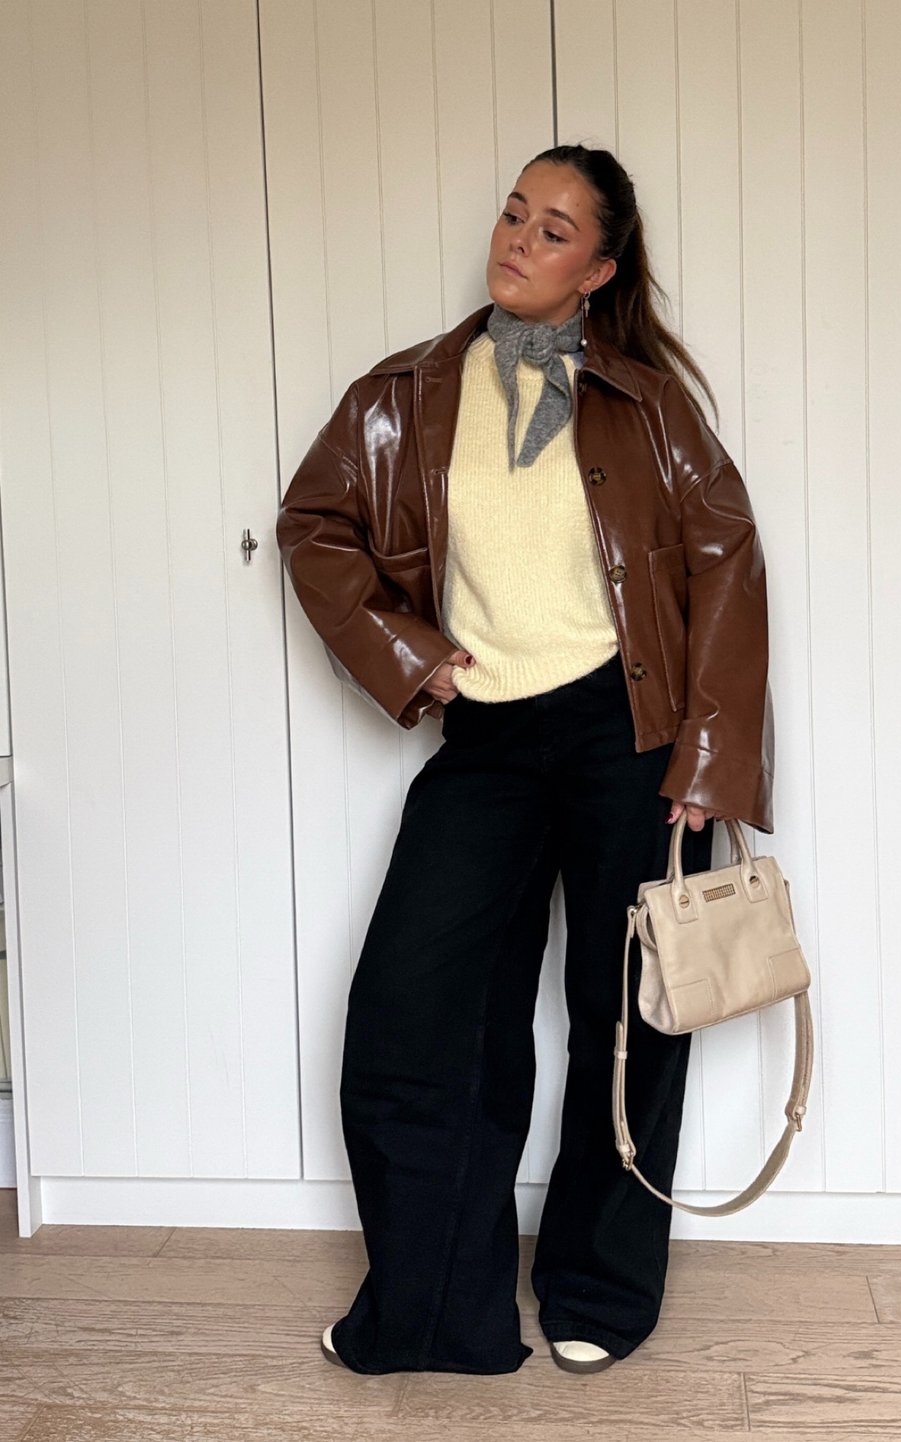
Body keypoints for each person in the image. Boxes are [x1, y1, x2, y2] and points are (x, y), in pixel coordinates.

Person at [275, 143, 773, 1377]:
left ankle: (598, 1284)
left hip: (632, 730)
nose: (516, 238)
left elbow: (727, 563)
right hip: (488, 736)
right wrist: (413, 655)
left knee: (626, 1017)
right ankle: (435, 1307)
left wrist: (709, 756)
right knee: (416, 1014)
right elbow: (313, 522)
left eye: (553, 229)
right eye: (513, 213)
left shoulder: (652, 407)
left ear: (598, 270)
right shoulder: (400, 392)